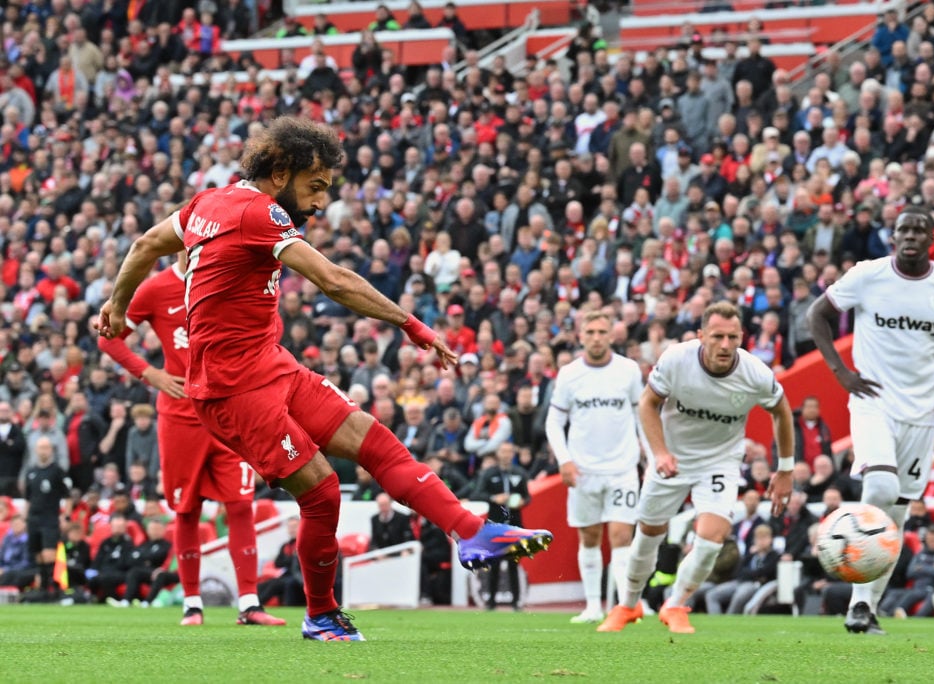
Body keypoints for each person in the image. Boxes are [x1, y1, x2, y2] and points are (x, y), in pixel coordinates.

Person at [97, 117, 552, 642]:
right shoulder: (259, 212)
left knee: (376, 443)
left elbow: (143, 245)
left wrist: (116, 303)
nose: (319, 203)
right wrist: (411, 324)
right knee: (322, 491)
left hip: (271, 365)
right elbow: (334, 280)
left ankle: (472, 532)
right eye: (315, 187)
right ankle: (320, 615)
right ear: (280, 172)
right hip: (231, 390)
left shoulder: (206, 204)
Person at [808, 204, 934, 636]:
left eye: (918, 229)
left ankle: (864, 609)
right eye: (903, 228)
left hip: (921, 417)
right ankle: (851, 565)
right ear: (893, 236)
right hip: (873, 403)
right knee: (880, 486)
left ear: (931, 239)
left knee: (899, 514)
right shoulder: (867, 275)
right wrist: (841, 373)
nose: (909, 235)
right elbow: (818, 316)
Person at [98, 250, 286, 627]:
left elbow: (272, 325)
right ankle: (191, 604)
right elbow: (109, 338)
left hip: (231, 410)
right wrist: (150, 374)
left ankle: (249, 603)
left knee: (240, 503)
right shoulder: (154, 289)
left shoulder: (227, 279)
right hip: (182, 416)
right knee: (186, 509)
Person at [597, 302, 794, 634]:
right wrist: (659, 453)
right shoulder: (677, 360)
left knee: (712, 538)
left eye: (733, 337)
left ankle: (675, 605)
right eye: (717, 336)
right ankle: (627, 605)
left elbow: (782, 412)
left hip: (720, 461)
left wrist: (785, 469)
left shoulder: (755, 373)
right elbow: (647, 403)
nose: (725, 345)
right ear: (702, 335)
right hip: (672, 458)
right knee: (648, 537)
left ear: (742, 337)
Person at [545, 310, 643, 624]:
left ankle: (626, 606)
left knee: (620, 536)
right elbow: (554, 421)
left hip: (622, 468)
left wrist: (652, 458)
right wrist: (564, 460)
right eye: (591, 332)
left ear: (612, 335)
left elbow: (642, 416)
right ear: (581, 336)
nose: (597, 337)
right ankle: (592, 606)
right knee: (588, 537)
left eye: (602, 331)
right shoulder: (570, 374)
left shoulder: (628, 371)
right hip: (583, 471)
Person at [472, 442, 532, 611]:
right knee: (494, 564)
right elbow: (477, 493)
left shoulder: (520, 473)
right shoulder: (488, 474)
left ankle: (516, 603)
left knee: (514, 563)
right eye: (503, 452)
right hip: (495, 525)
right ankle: (490, 602)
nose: (506, 455)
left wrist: (523, 501)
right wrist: (493, 498)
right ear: (498, 454)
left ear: (513, 454)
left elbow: (527, 496)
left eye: (509, 451)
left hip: (514, 526)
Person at [23, 436, 69, 600]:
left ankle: (54, 589)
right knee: (38, 555)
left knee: (49, 553)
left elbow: (67, 496)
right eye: (41, 447)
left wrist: (66, 517)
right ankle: (43, 588)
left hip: (50, 518)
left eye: (46, 447)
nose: (43, 450)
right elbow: (28, 498)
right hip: (33, 518)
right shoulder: (31, 472)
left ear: (51, 450)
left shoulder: (57, 470)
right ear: (36, 450)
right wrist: (25, 518)